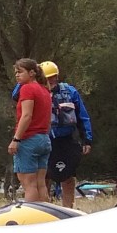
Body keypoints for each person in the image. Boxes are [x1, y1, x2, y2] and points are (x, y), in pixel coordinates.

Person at [41, 60, 94, 208]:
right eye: (47, 77)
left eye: (53, 76)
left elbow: (82, 117)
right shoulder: (35, 92)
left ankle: (68, 211)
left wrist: (87, 140)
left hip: (66, 140)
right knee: (43, 177)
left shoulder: (69, 92)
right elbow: (16, 95)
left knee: (68, 177)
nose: (51, 80)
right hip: (45, 140)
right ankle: (44, 210)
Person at [8, 58, 52, 202]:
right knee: (41, 184)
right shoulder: (45, 90)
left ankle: (31, 220)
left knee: (29, 185)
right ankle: (44, 217)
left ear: (32, 73)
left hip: (28, 140)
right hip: (44, 139)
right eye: (15, 72)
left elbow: (26, 116)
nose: (17, 75)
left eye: (20, 72)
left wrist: (16, 139)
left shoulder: (27, 88)